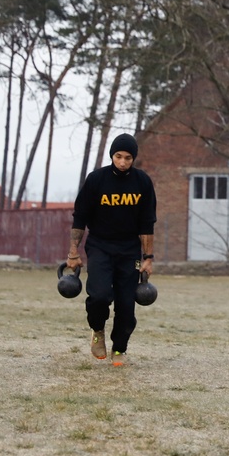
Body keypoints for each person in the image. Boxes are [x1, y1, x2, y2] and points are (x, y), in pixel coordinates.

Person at [67, 133, 157, 366]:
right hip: (100, 246)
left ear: (133, 158)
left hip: (129, 250)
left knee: (126, 305)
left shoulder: (143, 182)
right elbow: (80, 218)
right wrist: (73, 253)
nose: (123, 162)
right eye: (118, 156)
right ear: (112, 156)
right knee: (99, 296)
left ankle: (120, 349)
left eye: (128, 158)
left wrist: (148, 257)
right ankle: (98, 330)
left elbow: (147, 223)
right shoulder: (96, 180)